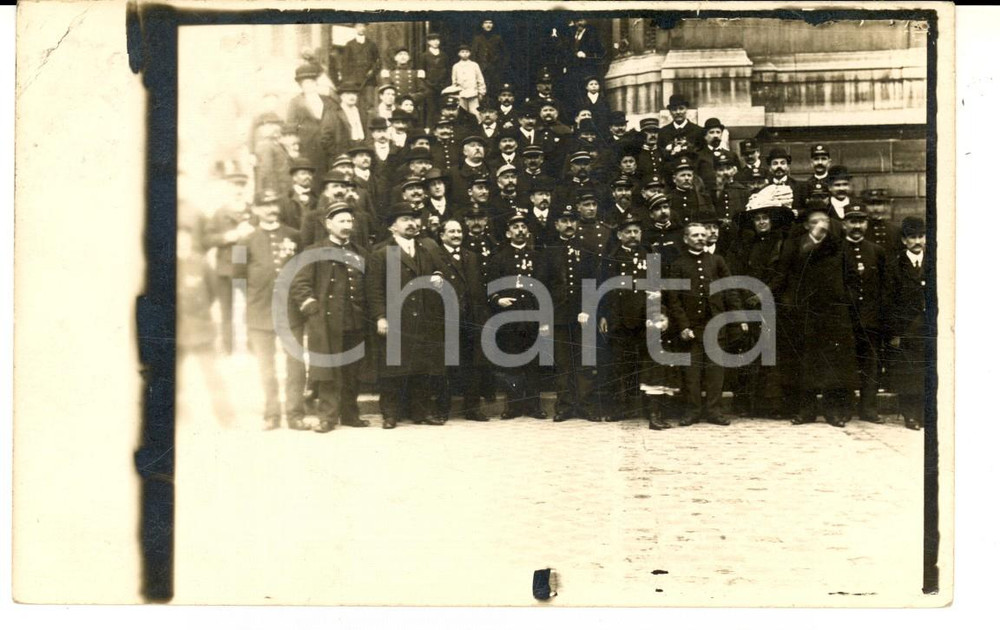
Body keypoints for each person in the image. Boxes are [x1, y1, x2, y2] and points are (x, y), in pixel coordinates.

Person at [771, 205, 860, 427]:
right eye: (815, 222)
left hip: (834, 312)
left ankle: (832, 411)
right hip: (804, 313)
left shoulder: (839, 246)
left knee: (833, 363)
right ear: (805, 226)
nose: (822, 225)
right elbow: (784, 274)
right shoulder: (795, 245)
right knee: (804, 362)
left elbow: (851, 278)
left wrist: (845, 300)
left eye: (825, 221)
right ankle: (806, 410)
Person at [365, 203, 449, 429]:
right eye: (404, 219)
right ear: (393, 227)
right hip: (396, 320)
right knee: (392, 369)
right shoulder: (382, 253)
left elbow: (439, 271)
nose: (411, 223)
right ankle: (390, 414)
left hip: (423, 318)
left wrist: (438, 276)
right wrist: (380, 316)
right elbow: (374, 290)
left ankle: (420, 412)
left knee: (422, 368)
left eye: (413, 219)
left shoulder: (426, 249)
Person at [291, 201, 370, 432]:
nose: (347, 225)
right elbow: (300, 283)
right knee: (328, 370)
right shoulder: (314, 252)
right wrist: (311, 307)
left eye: (349, 221)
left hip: (355, 320)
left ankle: (350, 414)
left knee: (352, 370)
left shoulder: (360, 253)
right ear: (328, 224)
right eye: (341, 221)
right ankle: (327, 417)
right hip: (326, 322)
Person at [240, 189, 307, 431]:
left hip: (290, 312)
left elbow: (303, 270)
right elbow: (238, 278)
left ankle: (295, 413)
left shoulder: (295, 236)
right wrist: (252, 300)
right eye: (264, 205)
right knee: (265, 366)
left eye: (273, 204)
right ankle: (271, 414)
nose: (270, 209)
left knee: (296, 365)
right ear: (256, 210)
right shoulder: (244, 240)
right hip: (260, 312)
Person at [666, 222, 745, 426]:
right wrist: (683, 326)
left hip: (716, 325)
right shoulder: (678, 264)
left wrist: (738, 317)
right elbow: (673, 299)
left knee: (715, 372)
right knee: (691, 373)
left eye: (703, 234)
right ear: (686, 239)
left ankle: (714, 411)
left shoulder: (717, 261)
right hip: (691, 328)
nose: (701, 238)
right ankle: (692, 411)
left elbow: (730, 291)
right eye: (695, 235)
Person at [486, 213, 549, 420]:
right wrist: (498, 300)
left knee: (533, 363)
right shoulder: (499, 258)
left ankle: (533, 405)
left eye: (523, 226)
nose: (520, 230)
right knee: (511, 363)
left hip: (532, 316)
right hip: (509, 318)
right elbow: (489, 287)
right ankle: (512, 406)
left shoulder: (538, 257)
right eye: (515, 227)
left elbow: (545, 287)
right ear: (508, 232)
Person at [540, 206, 599, 421]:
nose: (568, 225)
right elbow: (543, 286)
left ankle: (585, 405)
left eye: (572, 220)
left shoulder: (587, 249)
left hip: (582, 315)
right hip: (559, 315)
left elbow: (594, 282)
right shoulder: (549, 251)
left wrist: (588, 309)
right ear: (556, 225)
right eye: (564, 220)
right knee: (563, 363)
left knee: (584, 361)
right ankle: (564, 406)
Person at [435, 219, 491, 421]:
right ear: (442, 235)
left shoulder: (472, 256)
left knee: (472, 365)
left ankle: (472, 408)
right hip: (446, 318)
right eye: (451, 231)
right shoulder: (435, 256)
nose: (457, 234)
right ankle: (442, 410)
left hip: (471, 318)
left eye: (459, 231)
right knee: (445, 365)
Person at [599, 213, 654, 421]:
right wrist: (603, 315)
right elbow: (603, 288)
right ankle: (618, 409)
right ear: (620, 235)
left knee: (642, 364)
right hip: (618, 318)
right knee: (619, 366)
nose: (633, 235)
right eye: (628, 232)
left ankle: (639, 407)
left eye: (636, 231)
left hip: (643, 317)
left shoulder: (650, 254)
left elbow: (656, 286)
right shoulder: (611, 257)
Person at [842, 203, 891, 423]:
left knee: (870, 364)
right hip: (846, 319)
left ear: (866, 223)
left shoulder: (877, 251)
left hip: (871, 319)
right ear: (844, 224)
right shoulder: (837, 250)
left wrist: (880, 315)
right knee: (846, 363)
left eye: (861, 221)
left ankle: (868, 409)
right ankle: (844, 409)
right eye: (852, 221)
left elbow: (884, 286)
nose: (857, 226)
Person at [199, 163, 254, 355]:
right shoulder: (220, 213)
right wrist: (228, 236)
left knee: (251, 307)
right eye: (234, 186)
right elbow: (206, 239)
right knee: (227, 309)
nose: (238, 190)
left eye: (241, 186)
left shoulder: (253, 211)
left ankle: (253, 346)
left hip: (248, 265)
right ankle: (227, 348)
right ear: (228, 189)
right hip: (226, 266)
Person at [885, 216, 928, 431]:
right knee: (907, 373)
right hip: (906, 328)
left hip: (929, 328)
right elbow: (889, 302)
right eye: (912, 237)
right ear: (904, 241)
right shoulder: (895, 265)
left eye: (921, 236)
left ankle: (924, 413)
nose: (917, 241)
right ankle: (909, 415)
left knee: (926, 371)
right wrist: (895, 332)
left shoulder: (934, 263)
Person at [287, 62, 337, 189]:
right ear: (301, 85)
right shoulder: (295, 102)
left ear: (316, 82)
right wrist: (295, 151)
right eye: (305, 83)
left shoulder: (327, 100)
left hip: (326, 149)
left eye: (311, 82)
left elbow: (334, 121)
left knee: (326, 180)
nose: (308, 85)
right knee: (310, 181)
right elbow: (291, 129)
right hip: (306, 149)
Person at [320, 81, 367, 163]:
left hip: (360, 150)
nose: (352, 97)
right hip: (342, 154)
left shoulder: (361, 112)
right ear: (341, 96)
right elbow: (325, 139)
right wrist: (338, 154)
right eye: (348, 94)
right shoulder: (333, 113)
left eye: (354, 94)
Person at [336, 23, 381, 109]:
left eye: (363, 26)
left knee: (369, 104)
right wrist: (347, 80)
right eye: (359, 26)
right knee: (355, 103)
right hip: (354, 80)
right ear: (355, 28)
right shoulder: (349, 44)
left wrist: (373, 71)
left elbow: (378, 62)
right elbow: (345, 64)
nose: (362, 28)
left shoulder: (372, 44)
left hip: (369, 80)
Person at [417, 32, 450, 129]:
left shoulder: (444, 55)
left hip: (442, 87)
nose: (436, 42)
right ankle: (430, 129)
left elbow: (447, 71)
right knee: (431, 109)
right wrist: (427, 85)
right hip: (429, 87)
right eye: (433, 40)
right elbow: (421, 73)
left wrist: (445, 85)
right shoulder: (424, 56)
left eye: (437, 40)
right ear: (428, 42)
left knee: (442, 108)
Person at [470, 18, 509, 97]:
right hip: (481, 69)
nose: (488, 25)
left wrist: (500, 65)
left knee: (495, 88)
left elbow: (504, 54)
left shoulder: (498, 38)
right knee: (481, 88)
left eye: (490, 23)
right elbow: (473, 54)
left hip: (495, 69)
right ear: (482, 25)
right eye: (486, 23)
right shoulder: (477, 38)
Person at [278, 157, 318, 230]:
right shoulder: (284, 199)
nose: (307, 177)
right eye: (303, 174)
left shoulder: (317, 198)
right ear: (294, 177)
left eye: (309, 174)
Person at [452, 43, 487, 119]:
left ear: (470, 53)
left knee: (475, 113)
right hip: (461, 95)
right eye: (462, 52)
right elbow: (454, 82)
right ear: (458, 53)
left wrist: (481, 92)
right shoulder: (456, 66)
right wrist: (456, 94)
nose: (465, 54)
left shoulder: (474, 65)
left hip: (473, 94)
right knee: (461, 114)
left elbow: (480, 79)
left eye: (467, 52)